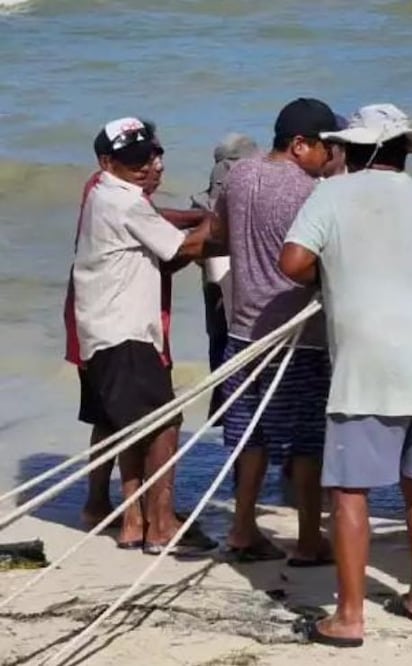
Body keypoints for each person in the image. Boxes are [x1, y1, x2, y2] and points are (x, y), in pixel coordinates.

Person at [280, 103, 412, 647]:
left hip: (370, 359)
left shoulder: (332, 194)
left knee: (350, 489)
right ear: (405, 152)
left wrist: (336, 268)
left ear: (351, 149)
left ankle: (350, 615)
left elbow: (291, 264)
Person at [72, 117, 220, 553]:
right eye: (136, 160)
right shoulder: (123, 202)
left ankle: (135, 523)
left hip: (102, 328)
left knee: (128, 425)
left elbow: (166, 251)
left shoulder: (105, 192)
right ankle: (160, 526)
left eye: (153, 155)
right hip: (124, 331)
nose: (149, 165)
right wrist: (229, 216)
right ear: (106, 161)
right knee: (164, 424)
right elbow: (183, 248)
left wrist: (201, 226)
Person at [214, 98, 337, 565]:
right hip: (296, 337)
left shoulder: (239, 173)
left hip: (242, 331)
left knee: (250, 438)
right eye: (329, 146)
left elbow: (221, 232)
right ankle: (309, 539)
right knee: (306, 442)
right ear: (301, 144)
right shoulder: (312, 193)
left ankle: (242, 528)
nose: (332, 156)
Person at [191, 133, 260, 420]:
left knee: (236, 399)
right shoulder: (258, 184)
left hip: (228, 311)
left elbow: (196, 253)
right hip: (251, 312)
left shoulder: (208, 198)